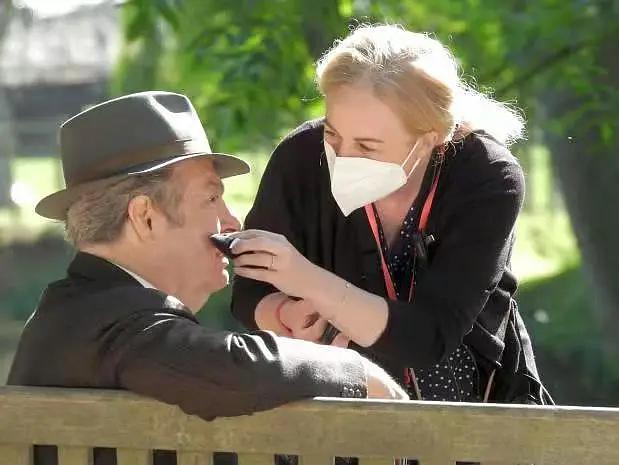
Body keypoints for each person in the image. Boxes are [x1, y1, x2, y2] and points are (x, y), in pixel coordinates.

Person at [7, 91, 407, 465]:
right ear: (145, 217)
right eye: (212, 198)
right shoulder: (117, 324)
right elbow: (237, 367)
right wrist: (356, 372)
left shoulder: (77, 313)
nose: (232, 223)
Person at [231, 25, 552, 405]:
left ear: (429, 138)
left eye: (367, 146)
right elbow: (250, 292)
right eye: (332, 135)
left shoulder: (486, 176)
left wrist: (309, 281)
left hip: (468, 408)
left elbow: (429, 337)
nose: (342, 157)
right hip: (331, 404)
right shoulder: (299, 157)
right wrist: (283, 314)